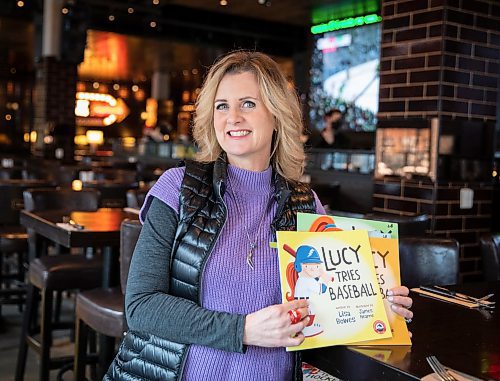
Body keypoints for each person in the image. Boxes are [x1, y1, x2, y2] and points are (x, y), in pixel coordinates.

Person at [107, 51, 413, 381]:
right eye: (222, 105)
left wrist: (380, 304)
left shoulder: (306, 204)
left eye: (248, 104)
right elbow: (141, 307)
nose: (232, 117)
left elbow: (333, 308)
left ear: (277, 115)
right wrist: (242, 330)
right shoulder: (178, 187)